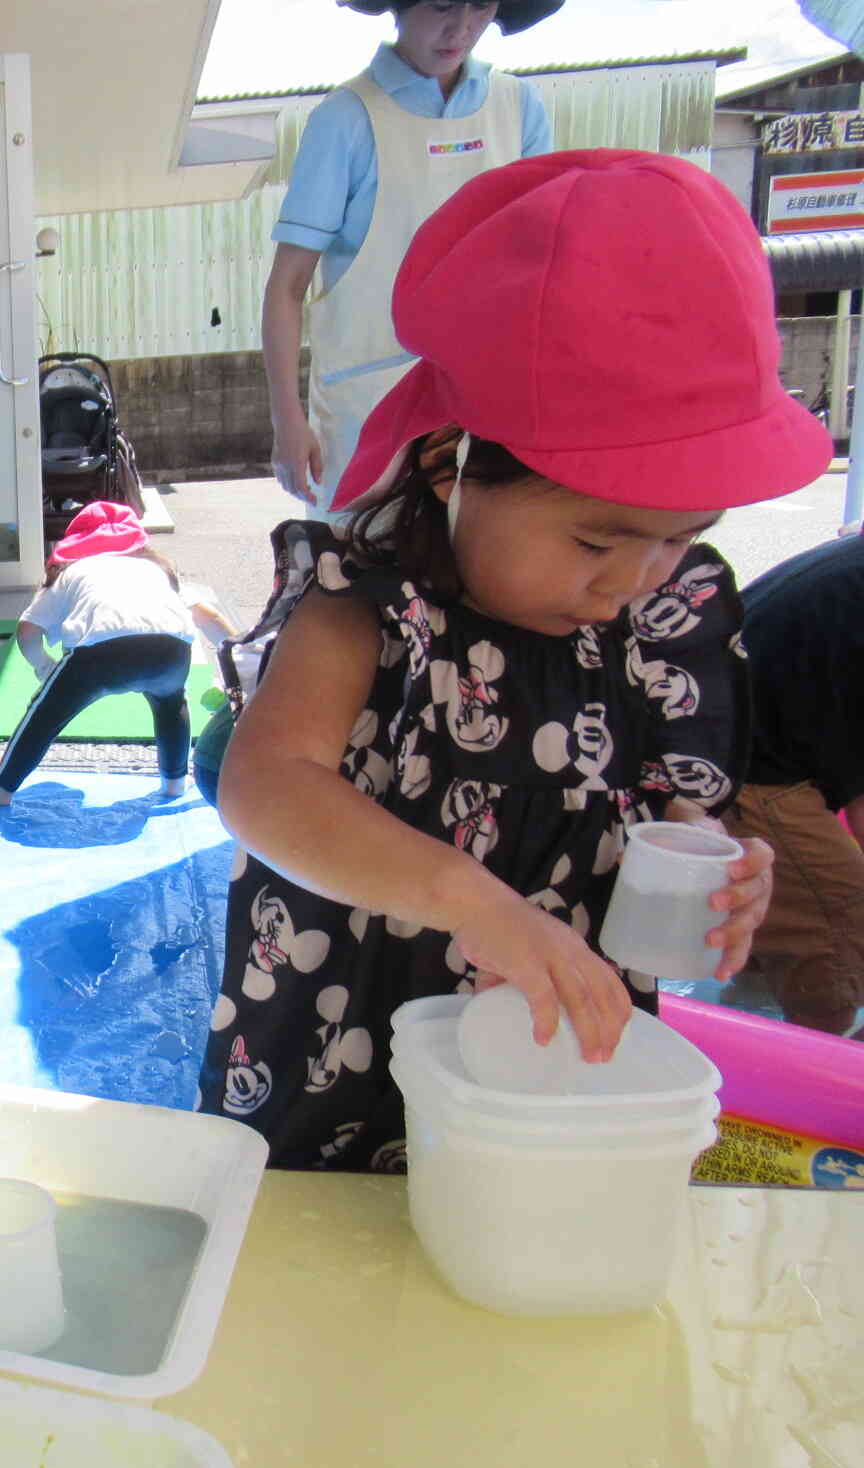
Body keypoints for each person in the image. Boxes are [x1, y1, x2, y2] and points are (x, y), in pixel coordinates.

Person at [202, 149, 829, 1171]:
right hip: (344, 1048)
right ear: (452, 462)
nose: (633, 577)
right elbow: (263, 788)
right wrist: (468, 902)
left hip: (551, 1067)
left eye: (679, 535)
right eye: (596, 540)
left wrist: (723, 883)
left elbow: (681, 814)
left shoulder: (668, 619)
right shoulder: (367, 606)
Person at [265, 1, 559, 514]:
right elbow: (287, 286)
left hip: (489, 394)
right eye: (443, 4)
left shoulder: (517, 106)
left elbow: (540, 260)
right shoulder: (346, 117)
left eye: (482, 6)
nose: (462, 28)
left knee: (483, 566)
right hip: (368, 401)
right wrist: (287, 418)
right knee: (358, 568)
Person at [0, 501, 232, 805]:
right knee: (171, 703)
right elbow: (209, 617)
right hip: (172, 650)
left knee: (45, 712)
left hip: (99, 654)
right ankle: (175, 780)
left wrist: (43, 666)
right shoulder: (155, 568)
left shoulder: (73, 571)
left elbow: (28, 631)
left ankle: (2, 783)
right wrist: (236, 664)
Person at [720, 531, 864, 1035]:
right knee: (844, 928)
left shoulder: (848, 564)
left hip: (728, 733)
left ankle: (760, 995)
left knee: (780, 927)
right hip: (752, 763)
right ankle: (816, 1061)